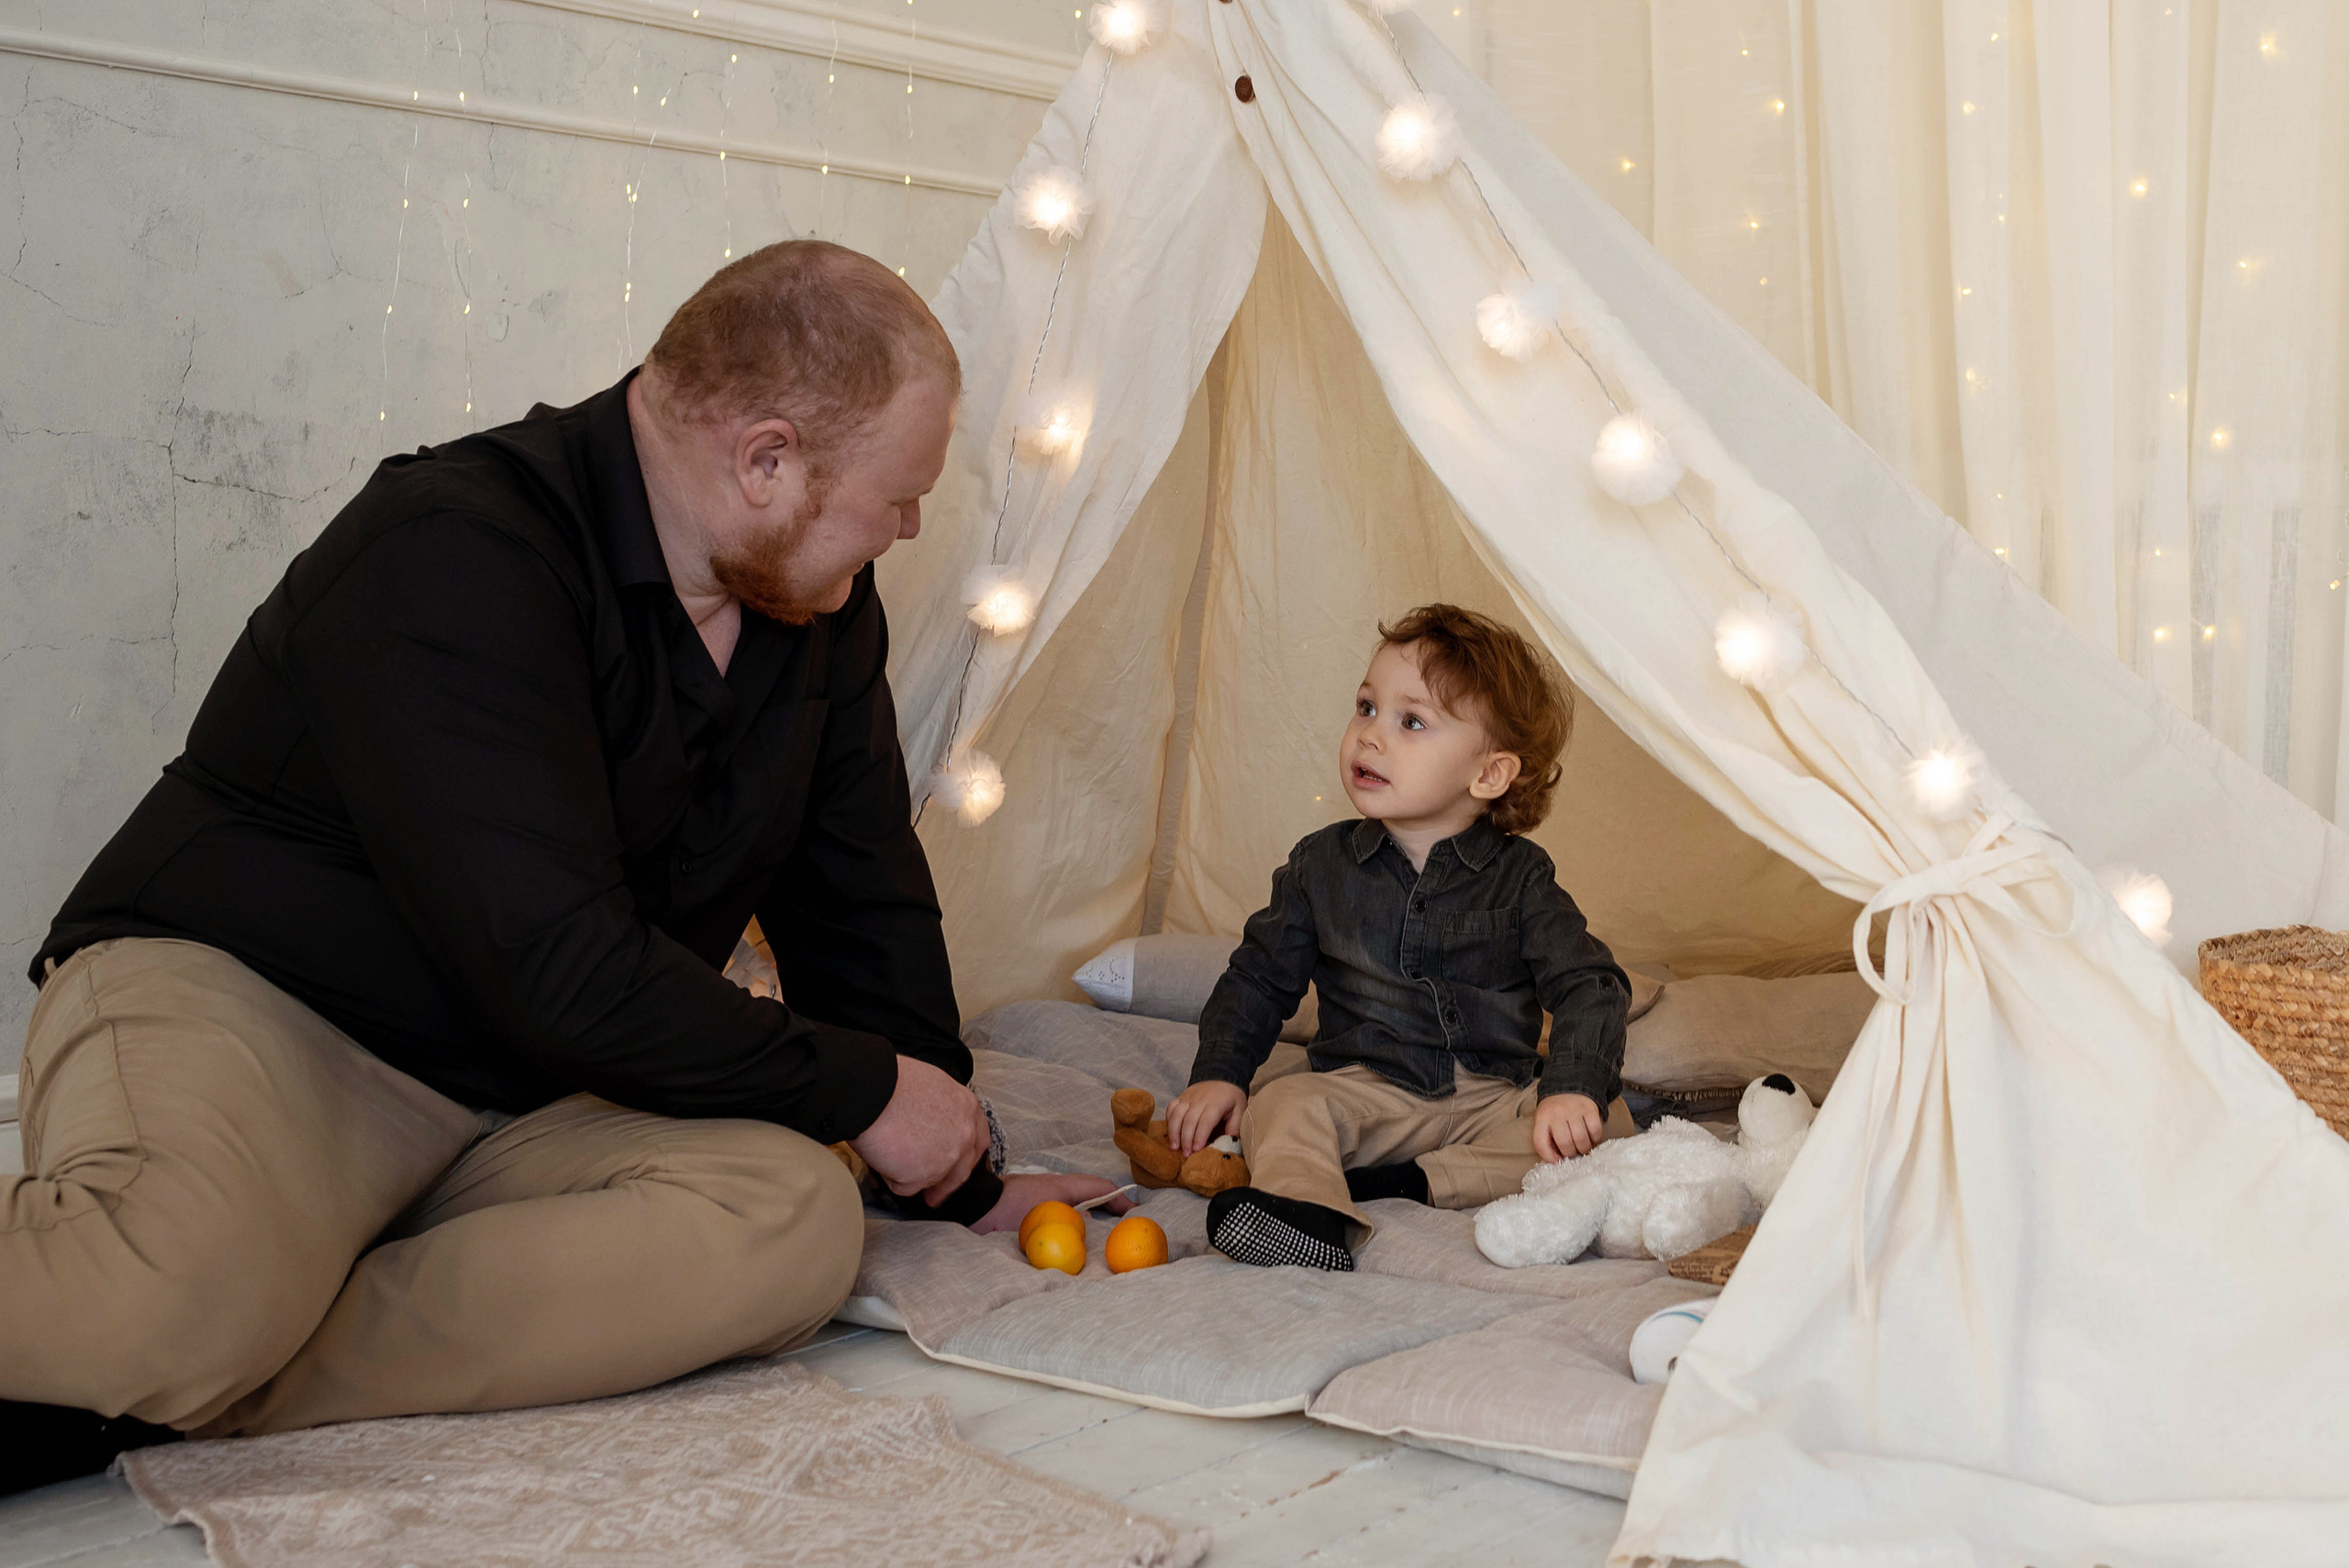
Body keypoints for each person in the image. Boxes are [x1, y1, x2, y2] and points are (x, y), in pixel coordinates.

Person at [0, 240, 1112, 1490]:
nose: (911, 527)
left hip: (529, 1085)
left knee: (796, 1218)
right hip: (268, 1011)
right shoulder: (452, 547)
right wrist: (861, 1090)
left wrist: (946, 1158)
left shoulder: (822, 607)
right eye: (899, 495)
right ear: (766, 459)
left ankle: (200, 1375)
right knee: (160, 1296)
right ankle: (187, 1333)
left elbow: (858, 892)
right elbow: (556, 962)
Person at [1164, 604, 1634, 1271]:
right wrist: (1219, 1072)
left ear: (1490, 774)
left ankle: (1404, 1183)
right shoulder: (1318, 866)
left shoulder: (1522, 879)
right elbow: (1258, 978)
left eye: (1410, 721)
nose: (1370, 736)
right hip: (1366, 1089)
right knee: (1281, 1103)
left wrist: (1571, 1088)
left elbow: (1591, 984)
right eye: (1365, 707)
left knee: (1608, 1123)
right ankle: (1310, 1213)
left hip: (1491, 1095)